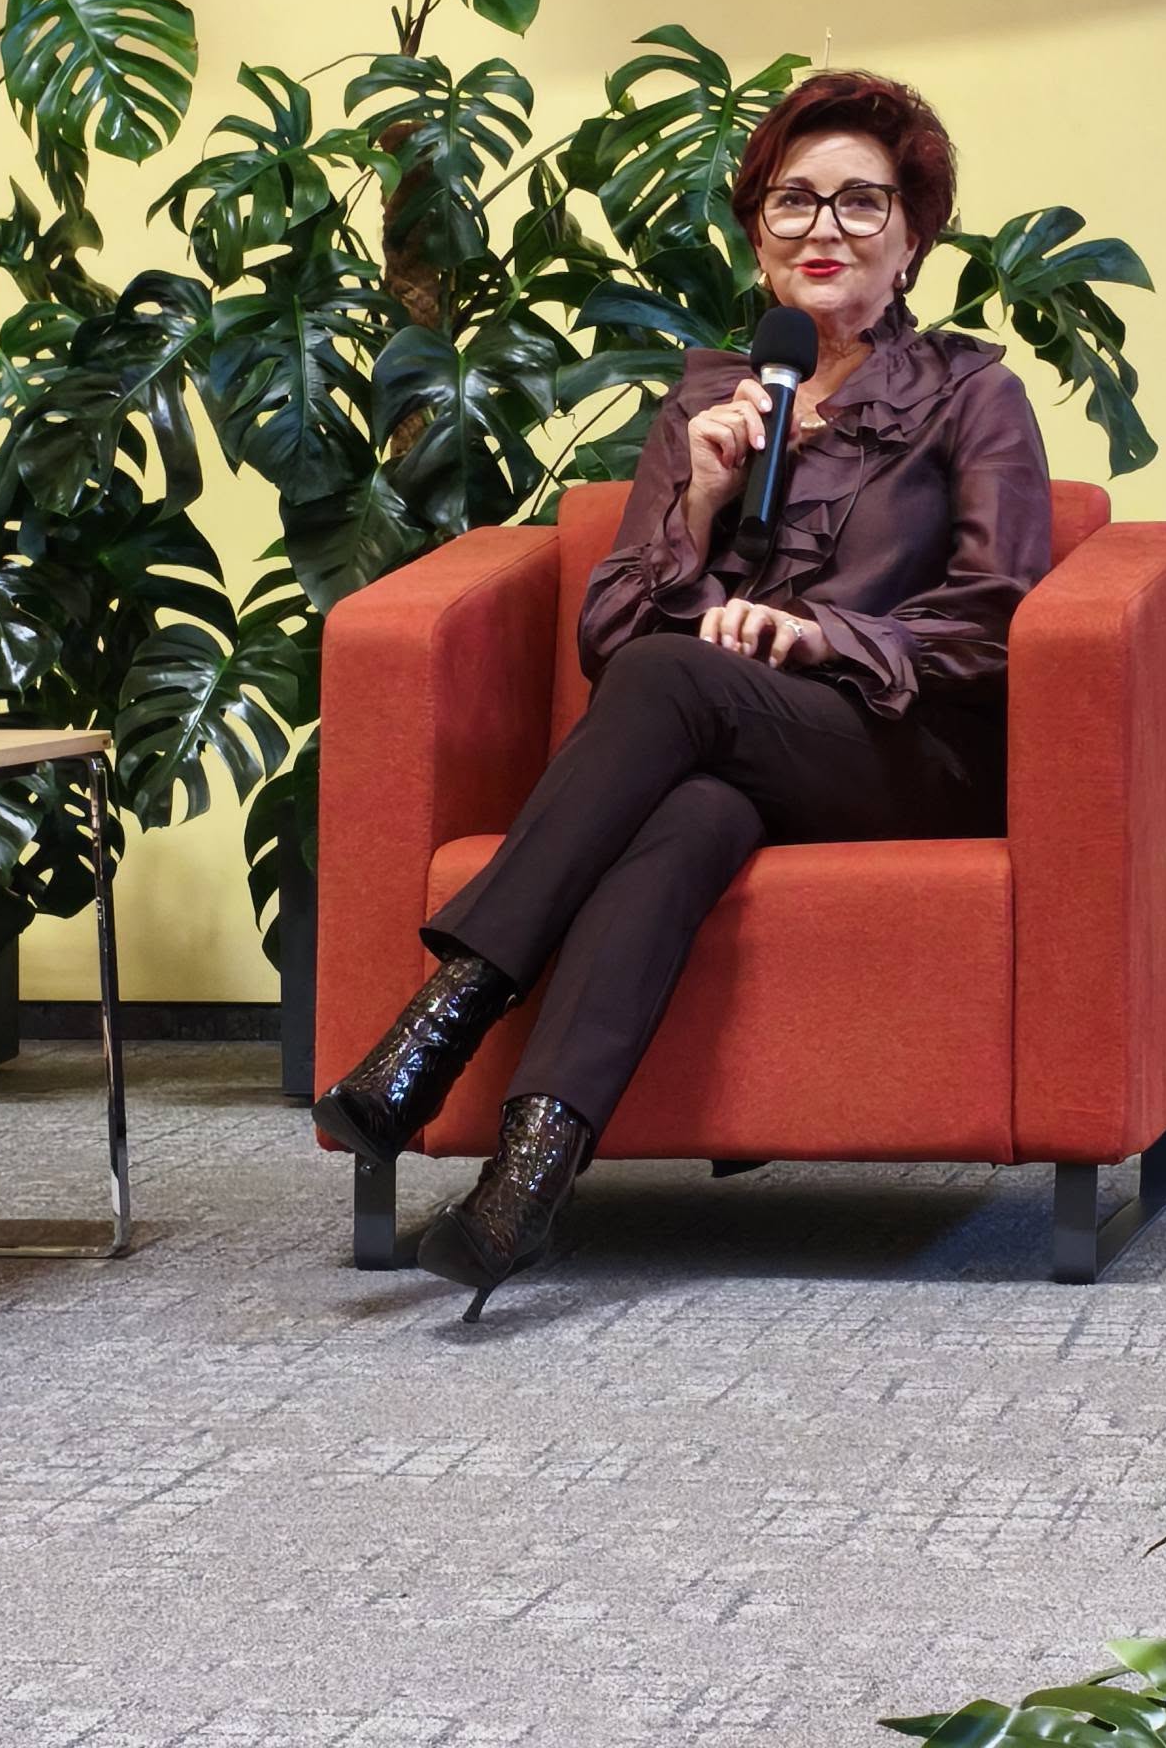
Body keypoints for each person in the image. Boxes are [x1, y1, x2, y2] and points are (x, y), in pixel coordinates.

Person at [313, 69, 1054, 1318]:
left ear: (912, 238)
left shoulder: (970, 393)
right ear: (758, 233)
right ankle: (524, 1185)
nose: (823, 228)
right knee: (691, 810)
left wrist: (821, 633)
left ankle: (442, 1017)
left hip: (901, 746)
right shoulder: (711, 402)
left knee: (677, 681)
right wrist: (700, 506)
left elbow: (996, 616)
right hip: (732, 749)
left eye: (861, 202)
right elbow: (610, 632)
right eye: (792, 201)